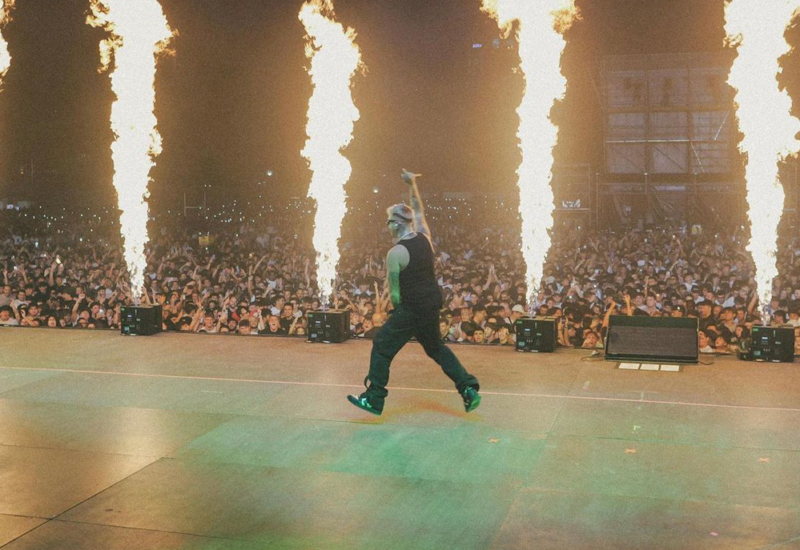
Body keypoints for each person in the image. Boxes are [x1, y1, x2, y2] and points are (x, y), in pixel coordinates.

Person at [347, 170, 481, 415]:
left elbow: (395, 295)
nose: (386, 225)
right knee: (436, 348)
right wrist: (412, 184)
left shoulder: (395, 253)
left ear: (397, 223)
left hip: (412, 308)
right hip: (431, 304)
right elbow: (418, 207)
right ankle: (468, 389)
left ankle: (374, 398)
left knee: (382, 344)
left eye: (388, 221)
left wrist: (398, 317)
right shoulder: (425, 238)